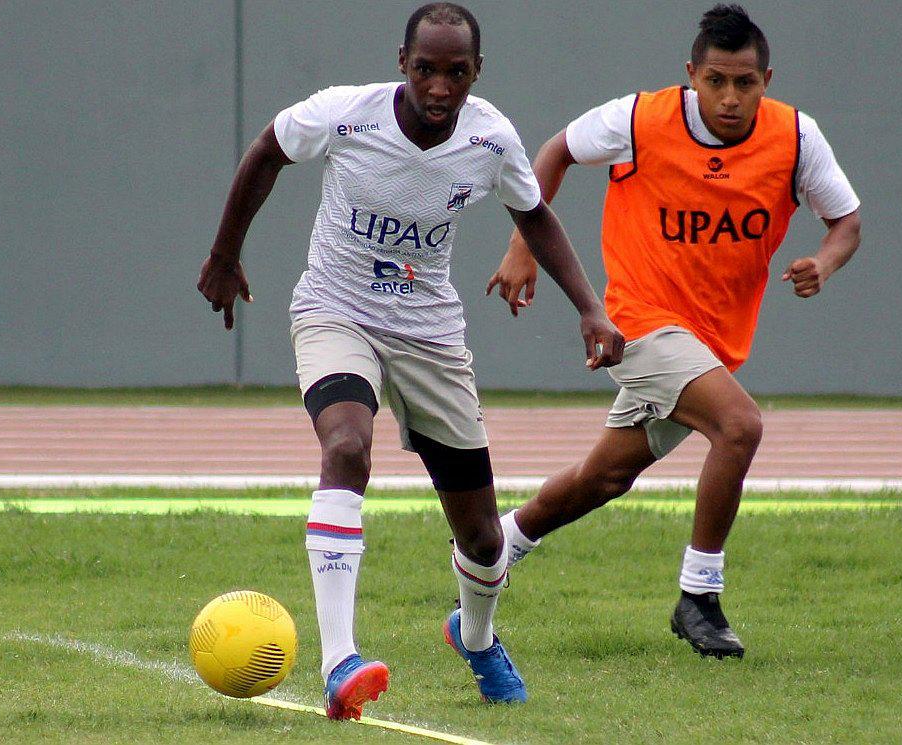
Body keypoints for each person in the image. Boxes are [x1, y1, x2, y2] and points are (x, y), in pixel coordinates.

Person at [197, 2, 623, 719]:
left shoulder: (491, 138)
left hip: (429, 335)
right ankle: (340, 662)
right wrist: (223, 253)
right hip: (337, 312)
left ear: (475, 73)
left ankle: (476, 635)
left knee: (485, 538)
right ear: (403, 63)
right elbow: (267, 149)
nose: (438, 87)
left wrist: (590, 306)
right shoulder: (345, 114)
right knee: (346, 446)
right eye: (425, 69)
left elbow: (535, 215)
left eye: (456, 73)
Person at [487, 4, 862, 659]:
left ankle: (499, 542)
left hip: (708, 343)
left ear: (766, 80)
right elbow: (555, 151)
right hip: (635, 321)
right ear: (692, 75)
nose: (730, 97)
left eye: (745, 83)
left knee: (605, 477)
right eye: (716, 80)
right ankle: (699, 595)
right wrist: (523, 241)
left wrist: (823, 264)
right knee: (740, 426)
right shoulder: (640, 119)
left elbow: (846, 221)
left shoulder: (796, 138)